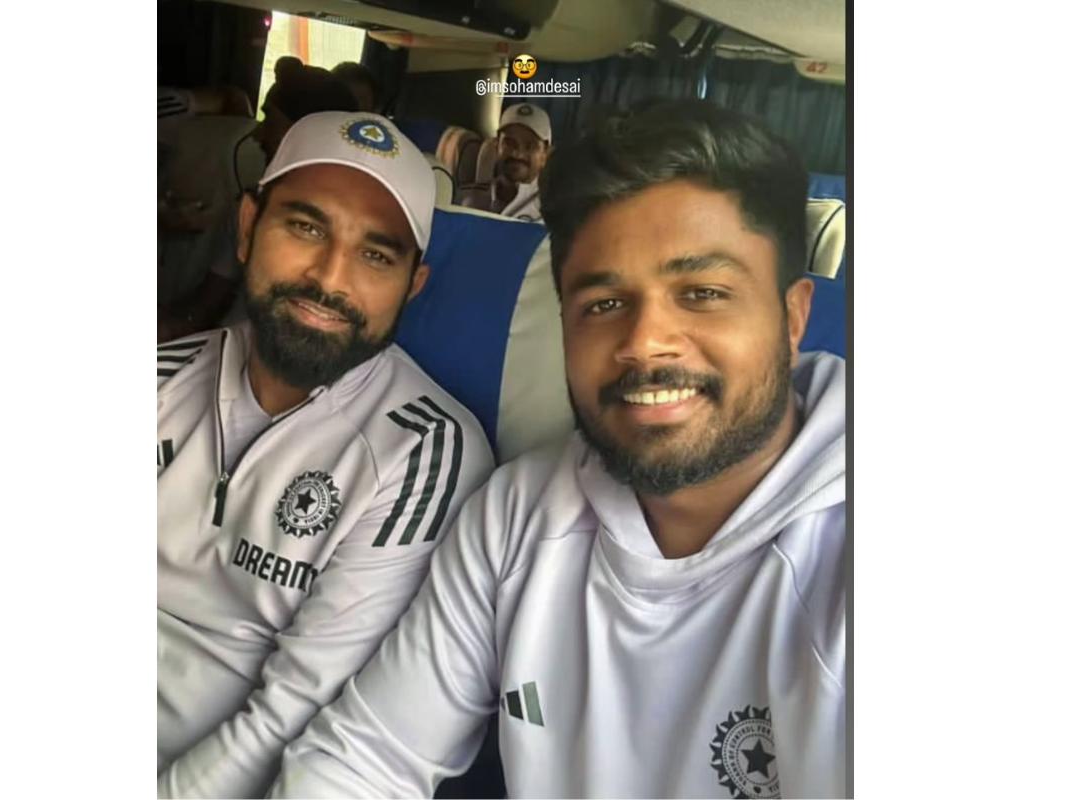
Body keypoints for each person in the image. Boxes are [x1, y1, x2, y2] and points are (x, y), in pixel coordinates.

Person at [271, 100, 847, 798]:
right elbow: (367, 758)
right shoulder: (518, 516)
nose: (642, 343)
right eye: (603, 304)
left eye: (701, 293)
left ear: (792, 319)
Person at [157, 110, 495, 798]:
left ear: (413, 285)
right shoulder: (157, 377)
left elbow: (293, 712)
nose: (329, 278)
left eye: (376, 255)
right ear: (248, 228)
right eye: (306, 227)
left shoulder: (421, 450)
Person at [158, 59, 359, 343]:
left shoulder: (358, 228)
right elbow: (204, 309)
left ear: (300, 135)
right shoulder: (252, 207)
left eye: (270, 121)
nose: (257, 134)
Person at [461, 103, 551, 222]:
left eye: (530, 145)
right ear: (497, 145)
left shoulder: (554, 213)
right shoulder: (463, 199)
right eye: (509, 143)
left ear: (545, 154)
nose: (517, 154)